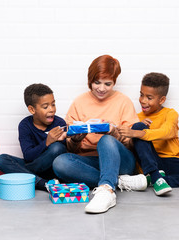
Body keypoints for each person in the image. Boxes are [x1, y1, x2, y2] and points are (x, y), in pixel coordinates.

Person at [52, 55, 146, 214]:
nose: (101, 88)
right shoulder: (79, 102)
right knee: (60, 162)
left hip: (121, 161)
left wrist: (114, 132)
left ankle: (107, 190)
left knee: (106, 140)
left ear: (114, 82)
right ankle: (119, 181)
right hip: (90, 161)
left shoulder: (123, 101)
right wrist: (75, 139)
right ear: (90, 81)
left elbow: (132, 143)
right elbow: (72, 148)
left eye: (107, 84)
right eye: (97, 83)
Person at [0, 83, 67, 191]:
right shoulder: (25, 125)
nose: (51, 109)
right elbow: (28, 156)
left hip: (51, 169)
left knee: (57, 147)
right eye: (45, 106)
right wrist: (47, 142)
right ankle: (43, 183)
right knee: (2, 159)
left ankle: (24, 175)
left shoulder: (59, 123)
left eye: (53, 104)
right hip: (34, 163)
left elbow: (62, 153)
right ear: (32, 110)